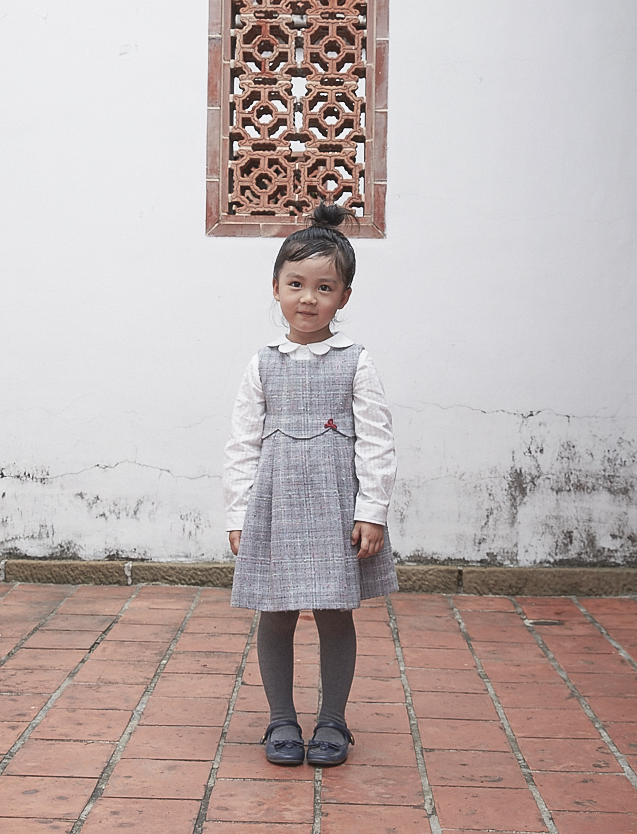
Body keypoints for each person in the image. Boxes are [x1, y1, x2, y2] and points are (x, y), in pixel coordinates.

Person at [223, 202, 397, 767]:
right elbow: (243, 445)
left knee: (333, 612)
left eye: (323, 287)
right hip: (273, 511)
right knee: (273, 612)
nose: (307, 297)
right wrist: (237, 515)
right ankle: (280, 720)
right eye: (296, 283)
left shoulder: (356, 363)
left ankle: (333, 721)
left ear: (343, 297)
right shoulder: (262, 364)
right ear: (275, 287)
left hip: (333, 511)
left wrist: (372, 511)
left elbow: (376, 441)